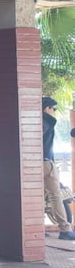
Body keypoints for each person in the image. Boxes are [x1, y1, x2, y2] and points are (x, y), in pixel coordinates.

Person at [42, 97, 75, 239]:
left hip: (35, 164)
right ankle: (65, 230)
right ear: (46, 108)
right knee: (56, 196)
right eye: (53, 108)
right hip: (46, 164)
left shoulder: (39, 121)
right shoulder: (46, 122)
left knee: (38, 197)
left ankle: (36, 227)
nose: (54, 111)